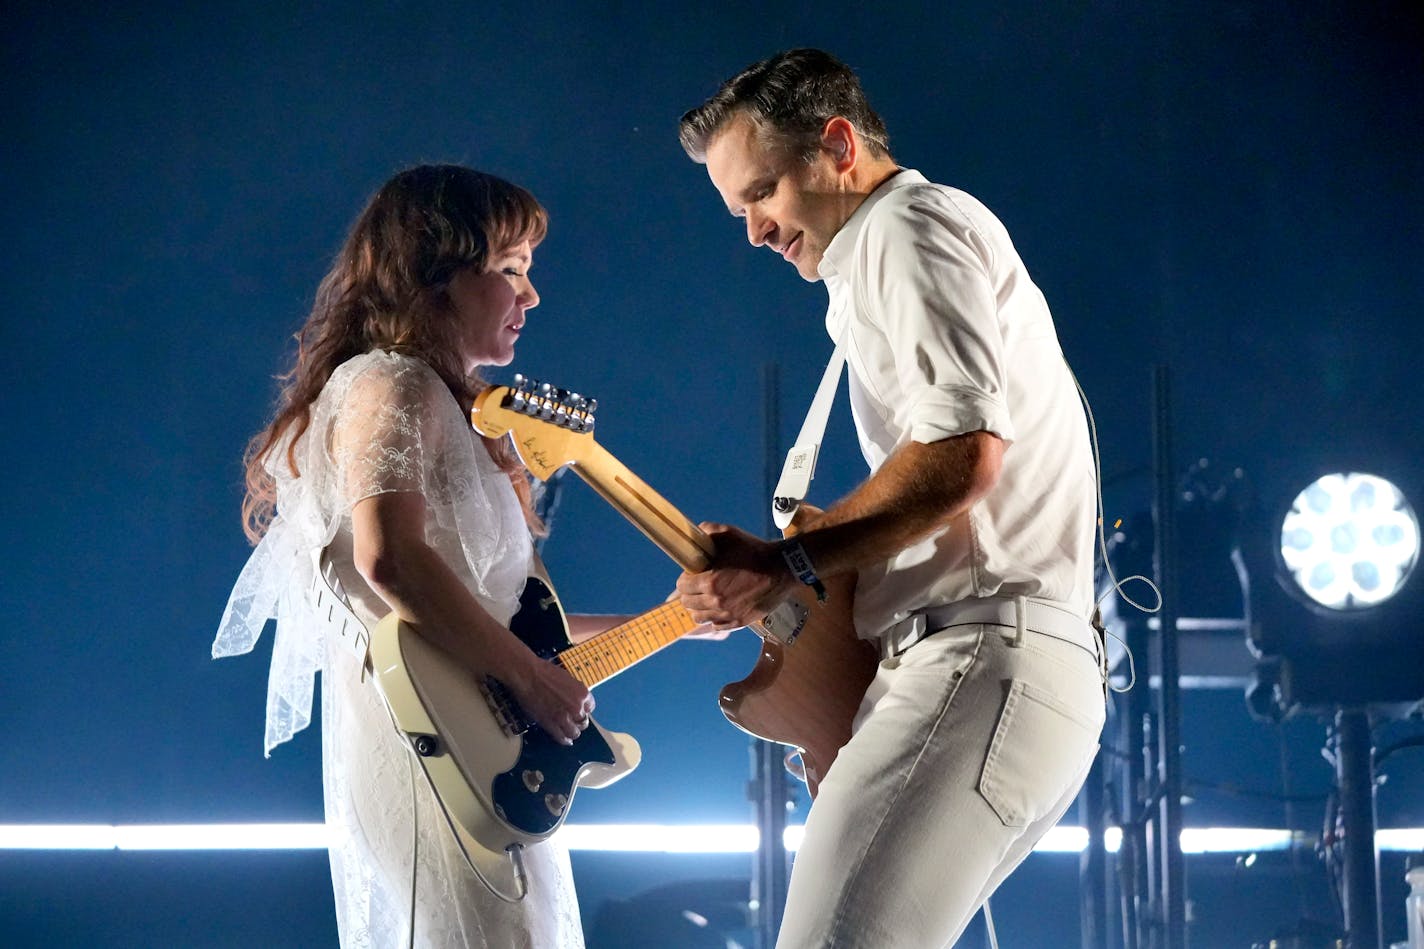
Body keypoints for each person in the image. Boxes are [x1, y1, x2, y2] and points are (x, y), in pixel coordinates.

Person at [675, 50, 1108, 947]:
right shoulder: (880, 260)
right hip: (996, 668)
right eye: (738, 211)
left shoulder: (906, 226)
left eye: (762, 193)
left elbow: (961, 459)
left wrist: (786, 561)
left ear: (837, 144)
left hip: (984, 660)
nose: (752, 231)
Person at [212, 165, 620, 948]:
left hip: (480, 748)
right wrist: (533, 680)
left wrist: (678, 618)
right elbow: (390, 560)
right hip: (434, 752)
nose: (529, 296)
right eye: (509, 271)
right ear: (435, 274)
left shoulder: (443, 403)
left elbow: (503, 618)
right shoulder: (390, 385)